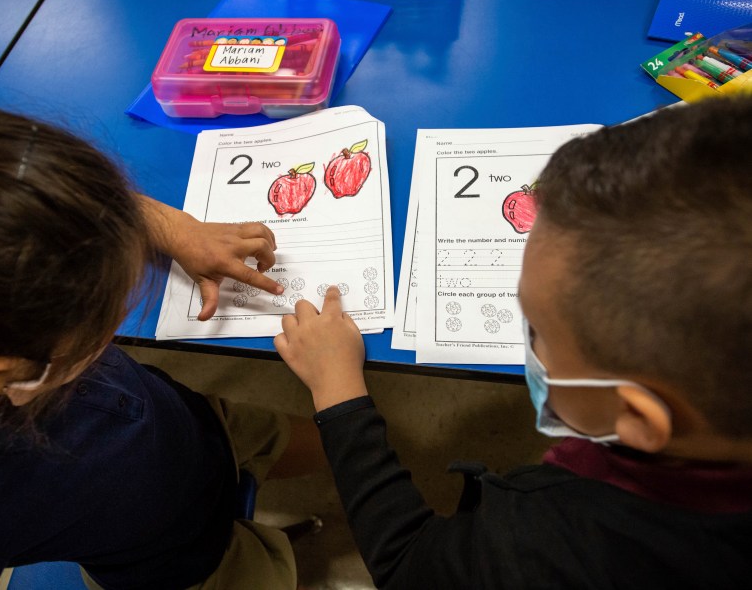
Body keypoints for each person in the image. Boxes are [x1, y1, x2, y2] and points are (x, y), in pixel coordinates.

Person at [275, 96, 752, 589]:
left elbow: (406, 564)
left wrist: (338, 391)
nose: (529, 341)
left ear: (636, 417)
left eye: (538, 330)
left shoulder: (550, 545)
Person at [0, 88, 309, 589]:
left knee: (302, 438)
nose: (112, 328)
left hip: (190, 425)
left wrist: (176, 228)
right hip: (175, 562)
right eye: (104, 323)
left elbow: (42, 213)